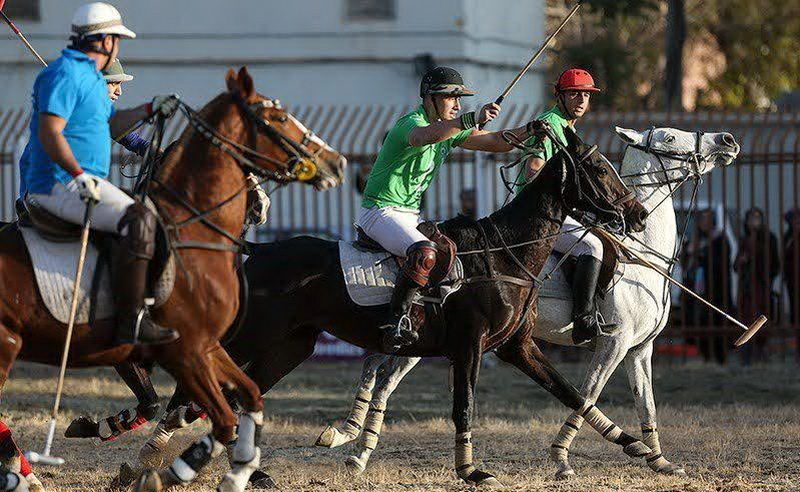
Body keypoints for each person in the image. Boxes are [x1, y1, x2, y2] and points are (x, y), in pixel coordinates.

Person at [20, 2, 181, 345]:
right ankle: (132, 321)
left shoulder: (92, 80)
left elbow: (114, 124)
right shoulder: (64, 74)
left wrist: (149, 109)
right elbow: (50, 132)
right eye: (118, 40)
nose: (118, 47)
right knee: (139, 219)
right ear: (107, 41)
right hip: (58, 183)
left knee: (148, 214)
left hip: (79, 181)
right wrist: (78, 175)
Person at [357, 66, 540, 350]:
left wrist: (530, 130)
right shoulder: (410, 124)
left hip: (409, 215)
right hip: (380, 212)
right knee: (424, 251)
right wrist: (471, 118)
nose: (457, 104)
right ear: (429, 98)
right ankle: (396, 322)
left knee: (453, 256)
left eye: (460, 99)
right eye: (450, 98)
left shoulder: (450, 130)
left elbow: (496, 142)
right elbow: (425, 136)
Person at [519, 68, 605, 345]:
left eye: (586, 95)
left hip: (555, 212)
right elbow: (533, 170)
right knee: (592, 247)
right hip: (537, 215)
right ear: (560, 95)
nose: (581, 99)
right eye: (574, 93)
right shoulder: (550, 124)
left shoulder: (566, 127)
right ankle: (584, 319)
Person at [681, 209, 733, 364]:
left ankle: (720, 358)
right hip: (697, 290)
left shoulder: (720, 239)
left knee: (717, 323)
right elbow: (685, 262)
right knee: (700, 322)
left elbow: (722, 263)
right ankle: (705, 356)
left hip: (717, 290)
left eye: (708, 219)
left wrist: (704, 256)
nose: (704, 223)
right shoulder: (694, 240)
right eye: (702, 219)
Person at [735, 208, 779, 363]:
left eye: (757, 218)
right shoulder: (744, 239)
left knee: (761, 318)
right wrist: (742, 261)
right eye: (751, 218)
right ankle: (746, 354)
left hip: (761, 286)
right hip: (746, 288)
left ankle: (762, 352)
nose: (753, 222)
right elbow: (736, 266)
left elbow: (775, 265)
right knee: (746, 318)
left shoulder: (769, 238)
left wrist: (766, 279)